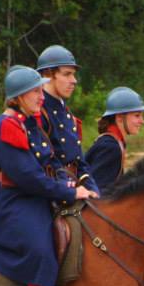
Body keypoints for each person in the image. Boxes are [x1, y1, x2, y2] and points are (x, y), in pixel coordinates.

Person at [0, 66, 98, 286]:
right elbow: (28, 177)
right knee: (41, 250)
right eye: (35, 91)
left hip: (39, 194)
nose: (41, 96)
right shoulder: (7, 126)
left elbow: (50, 161)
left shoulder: (31, 121)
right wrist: (67, 190)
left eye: (41, 90)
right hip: (14, 201)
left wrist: (74, 183)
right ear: (18, 97)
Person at [35, 45, 99, 197]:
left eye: (74, 74)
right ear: (48, 75)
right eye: (67, 74)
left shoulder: (66, 112)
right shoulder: (38, 112)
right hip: (52, 190)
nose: (74, 80)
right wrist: (68, 188)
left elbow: (79, 161)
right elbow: (44, 162)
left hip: (74, 185)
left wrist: (92, 188)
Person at [86, 86, 144, 194]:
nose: (142, 121)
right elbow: (97, 193)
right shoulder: (111, 147)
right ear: (120, 118)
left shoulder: (113, 142)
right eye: (137, 115)